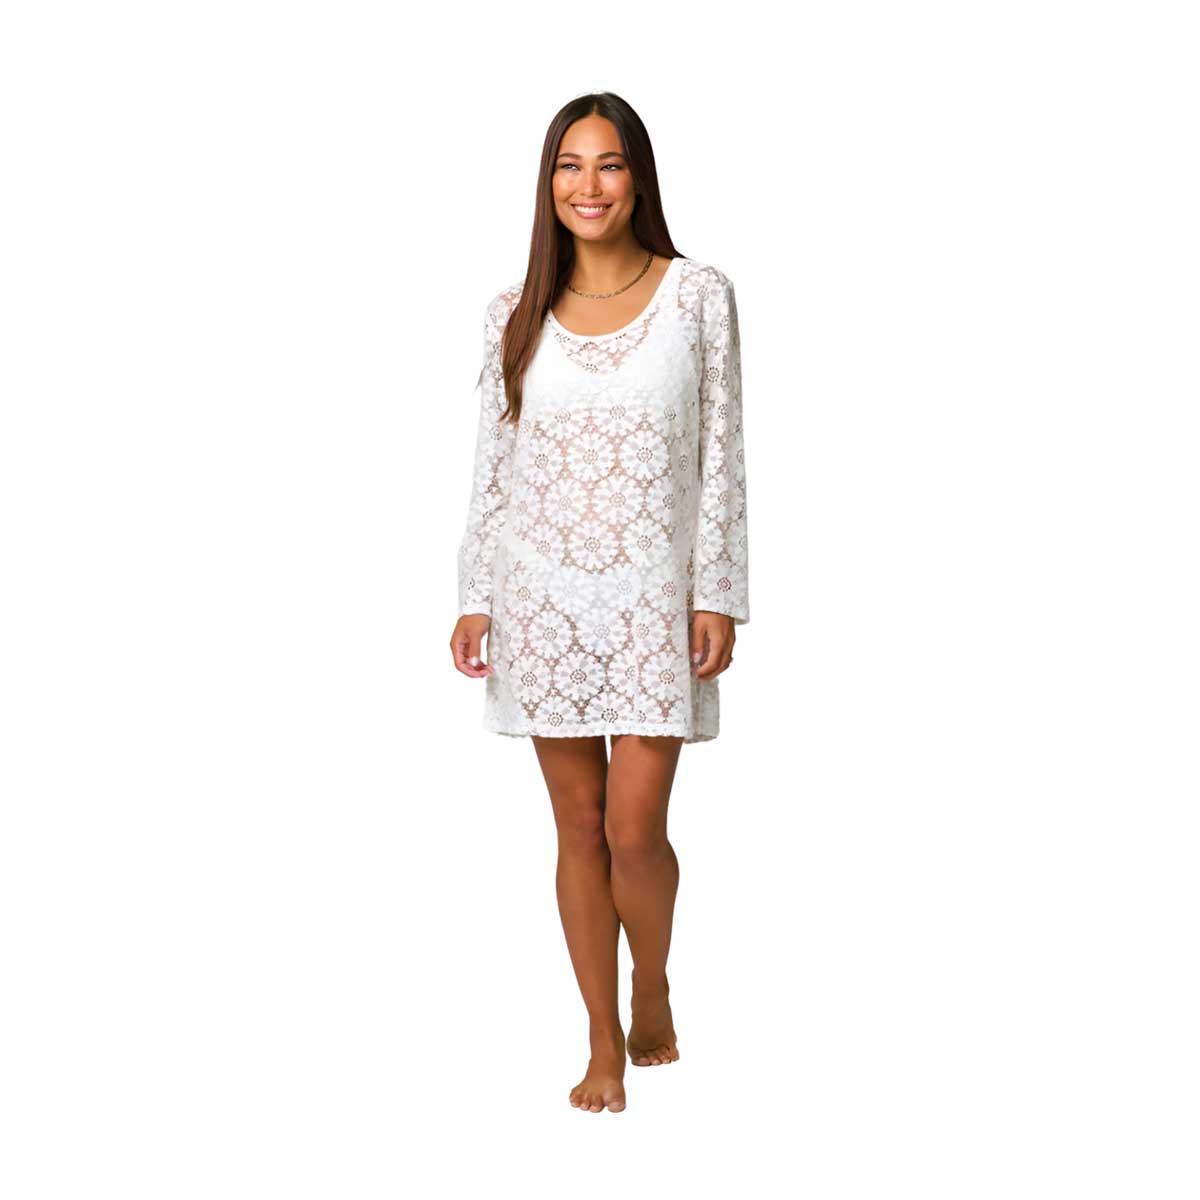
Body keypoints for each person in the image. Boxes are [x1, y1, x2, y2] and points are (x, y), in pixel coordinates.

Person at [449, 92, 749, 1113]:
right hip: (541, 601)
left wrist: (718, 592)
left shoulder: (698, 295)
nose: (589, 186)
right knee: (576, 826)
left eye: (609, 164)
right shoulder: (513, 311)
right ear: (548, 185)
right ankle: (602, 1038)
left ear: (638, 179)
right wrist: (477, 595)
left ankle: (651, 981)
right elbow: (496, 465)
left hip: (654, 601)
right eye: (569, 166)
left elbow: (722, 452)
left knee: (633, 830)